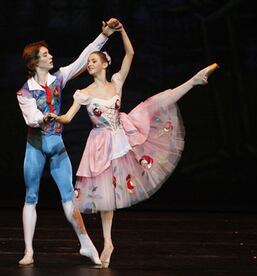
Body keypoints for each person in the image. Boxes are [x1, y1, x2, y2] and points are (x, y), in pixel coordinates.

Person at [51, 21, 219, 268]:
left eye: (94, 61)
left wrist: (121, 31)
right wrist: (54, 118)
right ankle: (107, 242)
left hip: (122, 132)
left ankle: (194, 80)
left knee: (156, 103)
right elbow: (67, 117)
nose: (89, 64)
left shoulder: (116, 82)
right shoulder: (83, 93)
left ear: (106, 64)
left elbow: (130, 53)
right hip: (100, 143)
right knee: (106, 196)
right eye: (88, 63)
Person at [16, 18, 121, 266]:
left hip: (58, 146)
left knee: (68, 198)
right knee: (31, 197)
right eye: (45, 54)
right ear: (34, 62)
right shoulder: (25, 91)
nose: (50, 56)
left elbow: (83, 59)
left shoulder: (59, 79)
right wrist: (45, 117)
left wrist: (104, 35)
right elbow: (31, 119)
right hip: (36, 148)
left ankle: (86, 244)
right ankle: (29, 251)